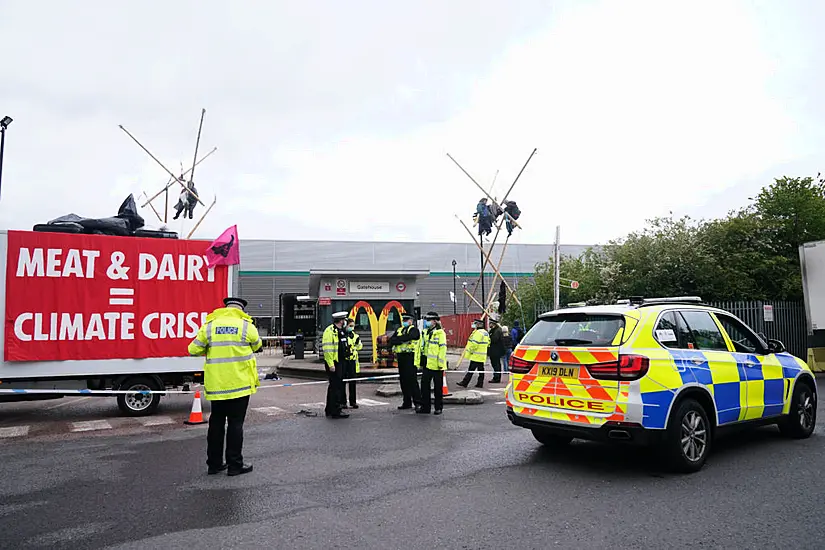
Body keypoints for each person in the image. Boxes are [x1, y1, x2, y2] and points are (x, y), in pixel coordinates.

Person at [188, 296, 262, 476]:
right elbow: (258, 345)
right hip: (240, 384)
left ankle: (214, 465)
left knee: (216, 424)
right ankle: (235, 465)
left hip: (217, 385)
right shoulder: (246, 325)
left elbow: (193, 349)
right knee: (236, 425)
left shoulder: (210, 326)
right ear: (241, 309)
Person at [416, 311, 447, 415]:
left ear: (434, 321)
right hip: (426, 363)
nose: (427, 322)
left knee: (438, 388)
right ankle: (425, 407)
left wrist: (441, 363)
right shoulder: (425, 332)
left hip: (437, 365)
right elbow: (422, 347)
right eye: (426, 320)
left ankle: (438, 408)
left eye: (429, 320)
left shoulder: (440, 333)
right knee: (424, 387)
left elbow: (442, 349)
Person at [389, 313, 422, 410]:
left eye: (406, 320)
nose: (404, 322)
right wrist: (402, 339)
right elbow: (392, 340)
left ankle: (417, 402)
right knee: (403, 381)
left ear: (410, 321)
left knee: (412, 380)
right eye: (403, 320)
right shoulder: (399, 330)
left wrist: (400, 339)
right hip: (401, 357)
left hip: (410, 357)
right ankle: (406, 402)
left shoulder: (414, 330)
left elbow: (412, 336)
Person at [322, 311, 351, 419]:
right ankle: (336, 410)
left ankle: (330, 409)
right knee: (336, 388)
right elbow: (328, 349)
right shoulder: (330, 331)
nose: (345, 322)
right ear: (341, 321)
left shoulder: (341, 331)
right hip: (334, 363)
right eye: (344, 320)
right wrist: (331, 364)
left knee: (335, 386)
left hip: (341, 362)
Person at [456, 319, 490, 388]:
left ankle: (465, 382)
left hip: (476, 355)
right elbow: (488, 343)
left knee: (471, 369)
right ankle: (480, 383)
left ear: (478, 324)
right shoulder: (485, 332)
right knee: (481, 370)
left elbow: (474, 344)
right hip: (482, 355)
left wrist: (470, 350)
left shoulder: (478, 333)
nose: (474, 325)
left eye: (475, 324)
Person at [341, 317, 363, 409]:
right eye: (350, 326)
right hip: (344, 361)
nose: (352, 328)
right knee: (343, 383)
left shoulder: (355, 336)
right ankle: (343, 402)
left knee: (352, 382)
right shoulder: (342, 335)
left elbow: (359, 347)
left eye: (353, 326)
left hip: (352, 361)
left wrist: (358, 343)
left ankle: (353, 401)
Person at [488, 317, 505, 384]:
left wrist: (489, 338)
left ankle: (497, 378)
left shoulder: (497, 331)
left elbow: (494, 339)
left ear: (493, 324)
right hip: (493, 351)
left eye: (490, 323)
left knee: (496, 365)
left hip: (496, 351)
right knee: (494, 364)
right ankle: (496, 377)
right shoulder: (493, 330)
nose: (489, 324)